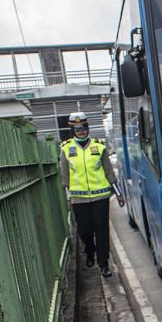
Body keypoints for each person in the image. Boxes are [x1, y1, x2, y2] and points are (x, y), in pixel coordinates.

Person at [60, 112, 122, 278]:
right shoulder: (66, 149)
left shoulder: (99, 147)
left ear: (87, 128)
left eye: (83, 128)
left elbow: (109, 172)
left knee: (102, 230)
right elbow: (65, 177)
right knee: (85, 231)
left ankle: (103, 264)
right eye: (77, 128)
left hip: (100, 197)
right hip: (79, 199)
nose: (81, 131)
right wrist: (68, 199)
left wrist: (118, 193)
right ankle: (89, 250)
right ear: (72, 130)